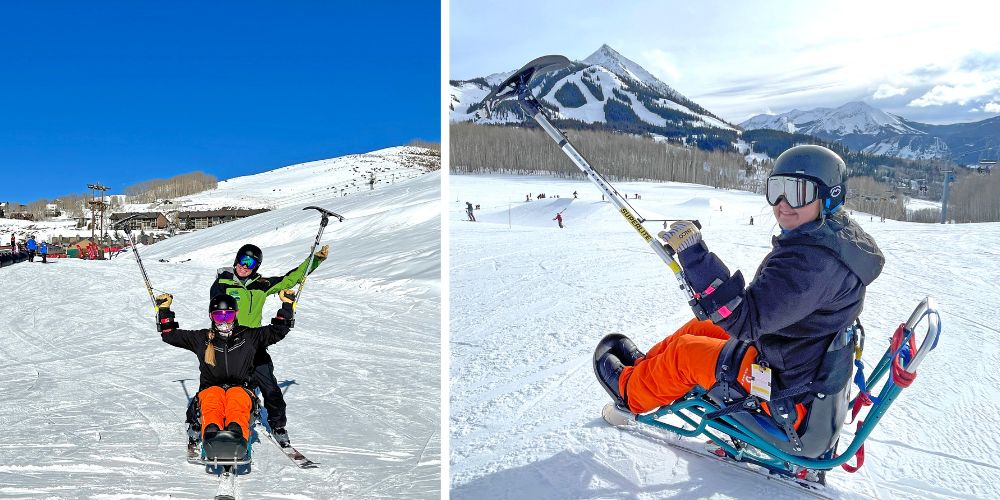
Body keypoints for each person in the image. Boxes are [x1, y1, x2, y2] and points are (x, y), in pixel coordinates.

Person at [595, 145, 883, 451]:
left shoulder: (811, 264)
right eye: (777, 190)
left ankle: (630, 393)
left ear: (829, 197)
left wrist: (694, 256)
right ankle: (646, 368)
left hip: (787, 392)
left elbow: (745, 318)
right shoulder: (835, 237)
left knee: (686, 352)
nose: (783, 204)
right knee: (699, 328)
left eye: (798, 193)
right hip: (793, 358)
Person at [194, 243, 328, 447]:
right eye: (242, 260)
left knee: (270, 386)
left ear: (256, 267)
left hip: (253, 344)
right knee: (212, 385)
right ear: (236, 259)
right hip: (226, 343)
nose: (244, 266)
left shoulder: (261, 284)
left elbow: (290, 279)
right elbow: (218, 311)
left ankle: (278, 425)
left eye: (250, 263)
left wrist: (314, 260)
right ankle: (199, 422)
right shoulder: (222, 283)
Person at [157, 291, 296, 454]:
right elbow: (170, 335)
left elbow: (278, 330)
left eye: (228, 316)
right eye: (219, 316)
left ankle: (236, 435)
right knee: (212, 399)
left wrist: (287, 305)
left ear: (236, 314)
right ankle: (211, 432)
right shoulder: (202, 338)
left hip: (241, 389)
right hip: (210, 389)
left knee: (236, 399)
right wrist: (164, 310)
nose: (224, 321)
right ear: (211, 316)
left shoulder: (249, 336)